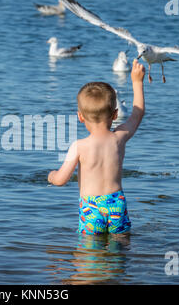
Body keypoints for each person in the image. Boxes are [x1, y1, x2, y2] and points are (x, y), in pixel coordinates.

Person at [48, 59, 146, 235]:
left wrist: (51, 176)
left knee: (89, 255)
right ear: (115, 115)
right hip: (117, 203)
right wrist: (137, 82)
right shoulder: (119, 137)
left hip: (91, 208)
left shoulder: (79, 146)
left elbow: (61, 180)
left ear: (80, 116)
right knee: (119, 251)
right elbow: (137, 114)